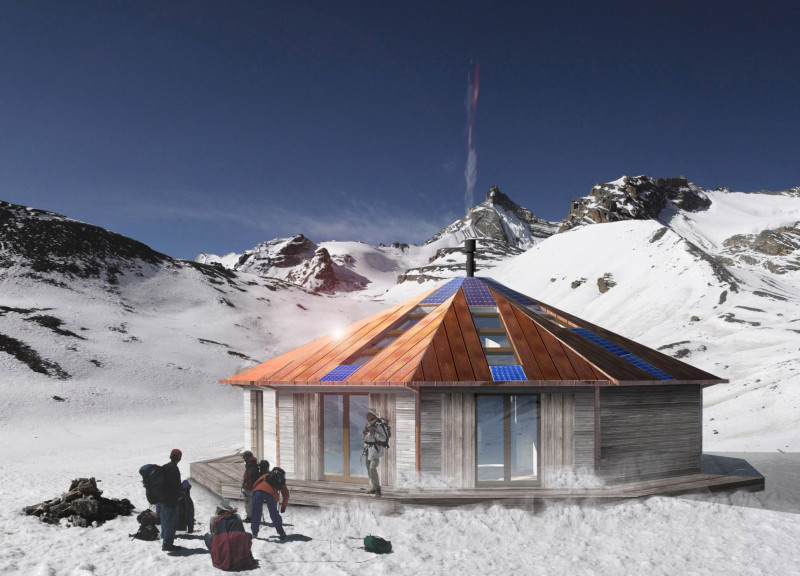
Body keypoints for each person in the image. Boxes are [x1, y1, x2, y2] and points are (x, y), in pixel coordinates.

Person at [204, 502, 256, 571]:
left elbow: (213, 533)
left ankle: (217, 552)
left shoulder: (214, 518)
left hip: (224, 543)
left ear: (219, 510)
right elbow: (241, 531)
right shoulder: (237, 516)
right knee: (247, 535)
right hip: (237, 543)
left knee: (207, 536)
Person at [250, 464, 289, 540]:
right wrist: (283, 508)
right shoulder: (281, 481)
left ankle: (254, 533)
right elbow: (286, 495)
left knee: (256, 512)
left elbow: (256, 483)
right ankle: (281, 533)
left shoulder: (266, 475)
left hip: (258, 491)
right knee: (274, 513)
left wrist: (254, 493)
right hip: (271, 494)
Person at [159, 448, 183, 551]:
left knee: (164, 520)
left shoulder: (165, 467)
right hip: (171, 500)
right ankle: (167, 544)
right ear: (179, 458)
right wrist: (180, 494)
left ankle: (165, 539)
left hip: (162, 499)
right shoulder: (174, 469)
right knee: (171, 522)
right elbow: (176, 485)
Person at [362, 409, 387, 497]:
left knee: (372, 468)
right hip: (368, 450)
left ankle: (378, 490)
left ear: (373, 415)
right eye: (367, 414)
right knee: (369, 469)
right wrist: (365, 433)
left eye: (369, 414)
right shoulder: (369, 423)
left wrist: (374, 433)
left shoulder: (378, 425)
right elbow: (368, 437)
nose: (367, 415)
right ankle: (373, 487)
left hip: (375, 450)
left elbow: (384, 438)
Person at [240, 451, 260, 522]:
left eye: (244, 457)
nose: (243, 459)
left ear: (247, 457)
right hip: (252, 487)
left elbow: (251, 476)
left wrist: (248, 484)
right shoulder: (253, 463)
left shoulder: (250, 464)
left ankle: (250, 518)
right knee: (252, 502)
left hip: (249, 487)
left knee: (248, 503)